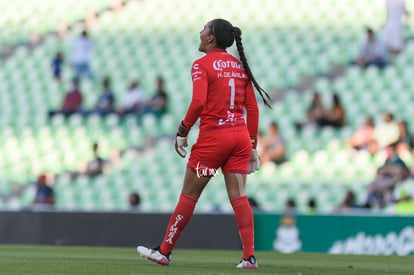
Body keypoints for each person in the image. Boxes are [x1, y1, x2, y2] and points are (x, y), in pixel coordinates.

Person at [137, 18, 271, 269]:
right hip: (239, 139)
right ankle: (249, 257)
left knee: (189, 195)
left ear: (210, 38)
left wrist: (182, 131)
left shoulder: (201, 65)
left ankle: (164, 251)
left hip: (214, 140)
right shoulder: (241, 67)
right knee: (240, 197)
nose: (200, 33)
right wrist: (252, 146)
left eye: (203, 29)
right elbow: (252, 109)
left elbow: (198, 103)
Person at [365, 142, 410, 208]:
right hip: (386, 180)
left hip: (394, 181)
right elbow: (380, 171)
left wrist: (387, 170)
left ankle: (384, 203)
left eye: (387, 150)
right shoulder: (387, 160)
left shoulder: (398, 161)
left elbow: (399, 171)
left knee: (386, 187)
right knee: (371, 186)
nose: (386, 152)